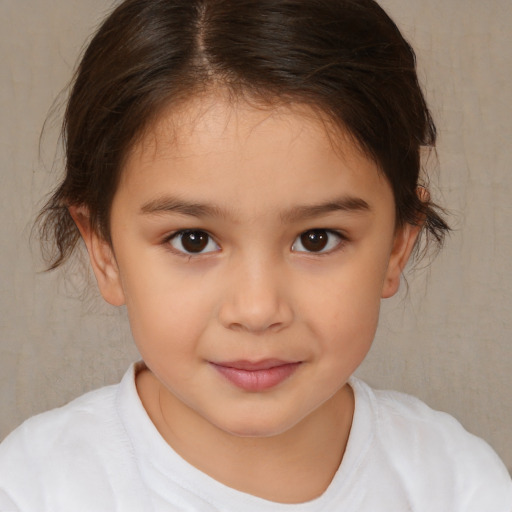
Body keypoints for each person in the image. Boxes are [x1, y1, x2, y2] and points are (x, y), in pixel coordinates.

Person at [0, 0, 511, 509]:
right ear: (103, 249)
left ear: (398, 243)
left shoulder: (456, 483)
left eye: (317, 238)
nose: (257, 309)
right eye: (192, 240)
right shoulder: (33, 488)